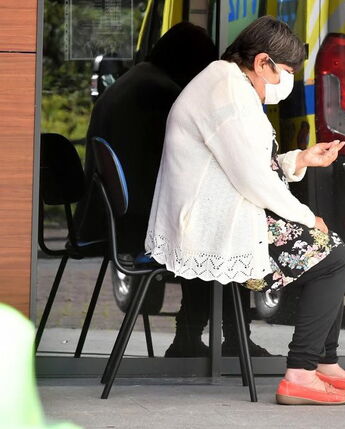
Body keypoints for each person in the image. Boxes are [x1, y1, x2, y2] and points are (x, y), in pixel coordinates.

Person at [145, 16, 345, 405]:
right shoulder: (226, 93)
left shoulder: (229, 82)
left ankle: (324, 363)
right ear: (263, 62)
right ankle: (303, 372)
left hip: (226, 208)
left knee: (331, 250)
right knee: (334, 260)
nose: (286, 81)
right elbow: (251, 177)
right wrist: (304, 216)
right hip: (210, 222)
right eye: (285, 71)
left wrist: (300, 158)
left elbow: (247, 165)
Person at [75, 23, 268, 358]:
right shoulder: (160, 93)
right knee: (224, 234)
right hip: (135, 225)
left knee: (208, 228)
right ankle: (227, 339)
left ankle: (192, 337)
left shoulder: (133, 82)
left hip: (111, 219)